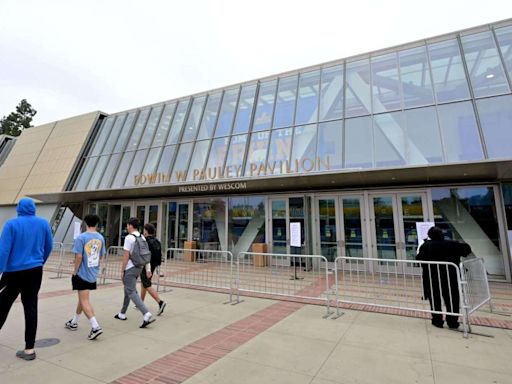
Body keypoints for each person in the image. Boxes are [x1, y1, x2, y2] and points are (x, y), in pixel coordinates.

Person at [0, 198, 53, 361]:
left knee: (3, 304)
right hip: (35, 271)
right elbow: (49, 246)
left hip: (13, 272)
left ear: (19, 209)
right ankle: (29, 349)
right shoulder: (43, 223)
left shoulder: (11, 224)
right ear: (34, 209)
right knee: (31, 307)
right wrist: (39, 262)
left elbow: (3, 251)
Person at [416, 226, 471, 329]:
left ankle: (437, 321)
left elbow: (419, 259)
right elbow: (467, 250)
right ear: (442, 235)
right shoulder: (452, 244)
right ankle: (452, 321)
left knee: (435, 300)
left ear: (429, 236)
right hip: (450, 277)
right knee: (452, 300)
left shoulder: (426, 246)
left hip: (433, 278)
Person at [65, 214, 105, 340]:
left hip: (81, 273)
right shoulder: (101, 238)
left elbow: (78, 257)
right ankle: (74, 321)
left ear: (85, 223)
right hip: (93, 272)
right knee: (83, 298)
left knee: (84, 300)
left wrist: (75, 271)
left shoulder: (81, 237)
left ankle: (95, 326)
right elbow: (101, 255)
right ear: (97, 224)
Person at [114, 217, 156, 328]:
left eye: (127, 225)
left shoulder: (128, 238)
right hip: (139, 267)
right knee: (128, 289)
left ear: (131, 226)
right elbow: (145, 255)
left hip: (130, 268)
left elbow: (126, 255)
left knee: (131, 291)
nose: (127, 227)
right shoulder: (142, 237)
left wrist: (122, 270)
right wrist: (147, 269)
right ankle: (122, 313)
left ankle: (146, 313)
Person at [139, 223, 166, 315]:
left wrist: (147, 269)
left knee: (147, 284)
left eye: (144, 230)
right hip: (153, 265)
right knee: (144, 283)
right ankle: (140, 303)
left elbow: (145, 255)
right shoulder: (156, 240)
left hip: (147, 266)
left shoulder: (146, 241)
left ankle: (160, 302)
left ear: (146, 231)